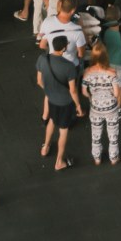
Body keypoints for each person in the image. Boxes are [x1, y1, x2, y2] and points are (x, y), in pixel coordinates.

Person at [37, 34, 84, 170]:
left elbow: (39, 81)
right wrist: (78, 106)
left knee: (52, 120)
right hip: (65, 103)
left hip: (51, 98)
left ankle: (45, 147)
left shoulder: (42, 59)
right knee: (63, 131)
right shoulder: (68, 66)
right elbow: (73, 90)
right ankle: (59, 162)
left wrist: (51, 91)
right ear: (64, 48)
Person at [82, 41, 121, 165]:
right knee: (113, 134)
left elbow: (84, 92)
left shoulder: (87, 72)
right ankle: (113, 157)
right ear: (105, 56)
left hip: (95, 108)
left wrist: (91, 97)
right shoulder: (112, 72)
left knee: (96, 133)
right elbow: (116, 93)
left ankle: (97, 158)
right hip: (111, 108)